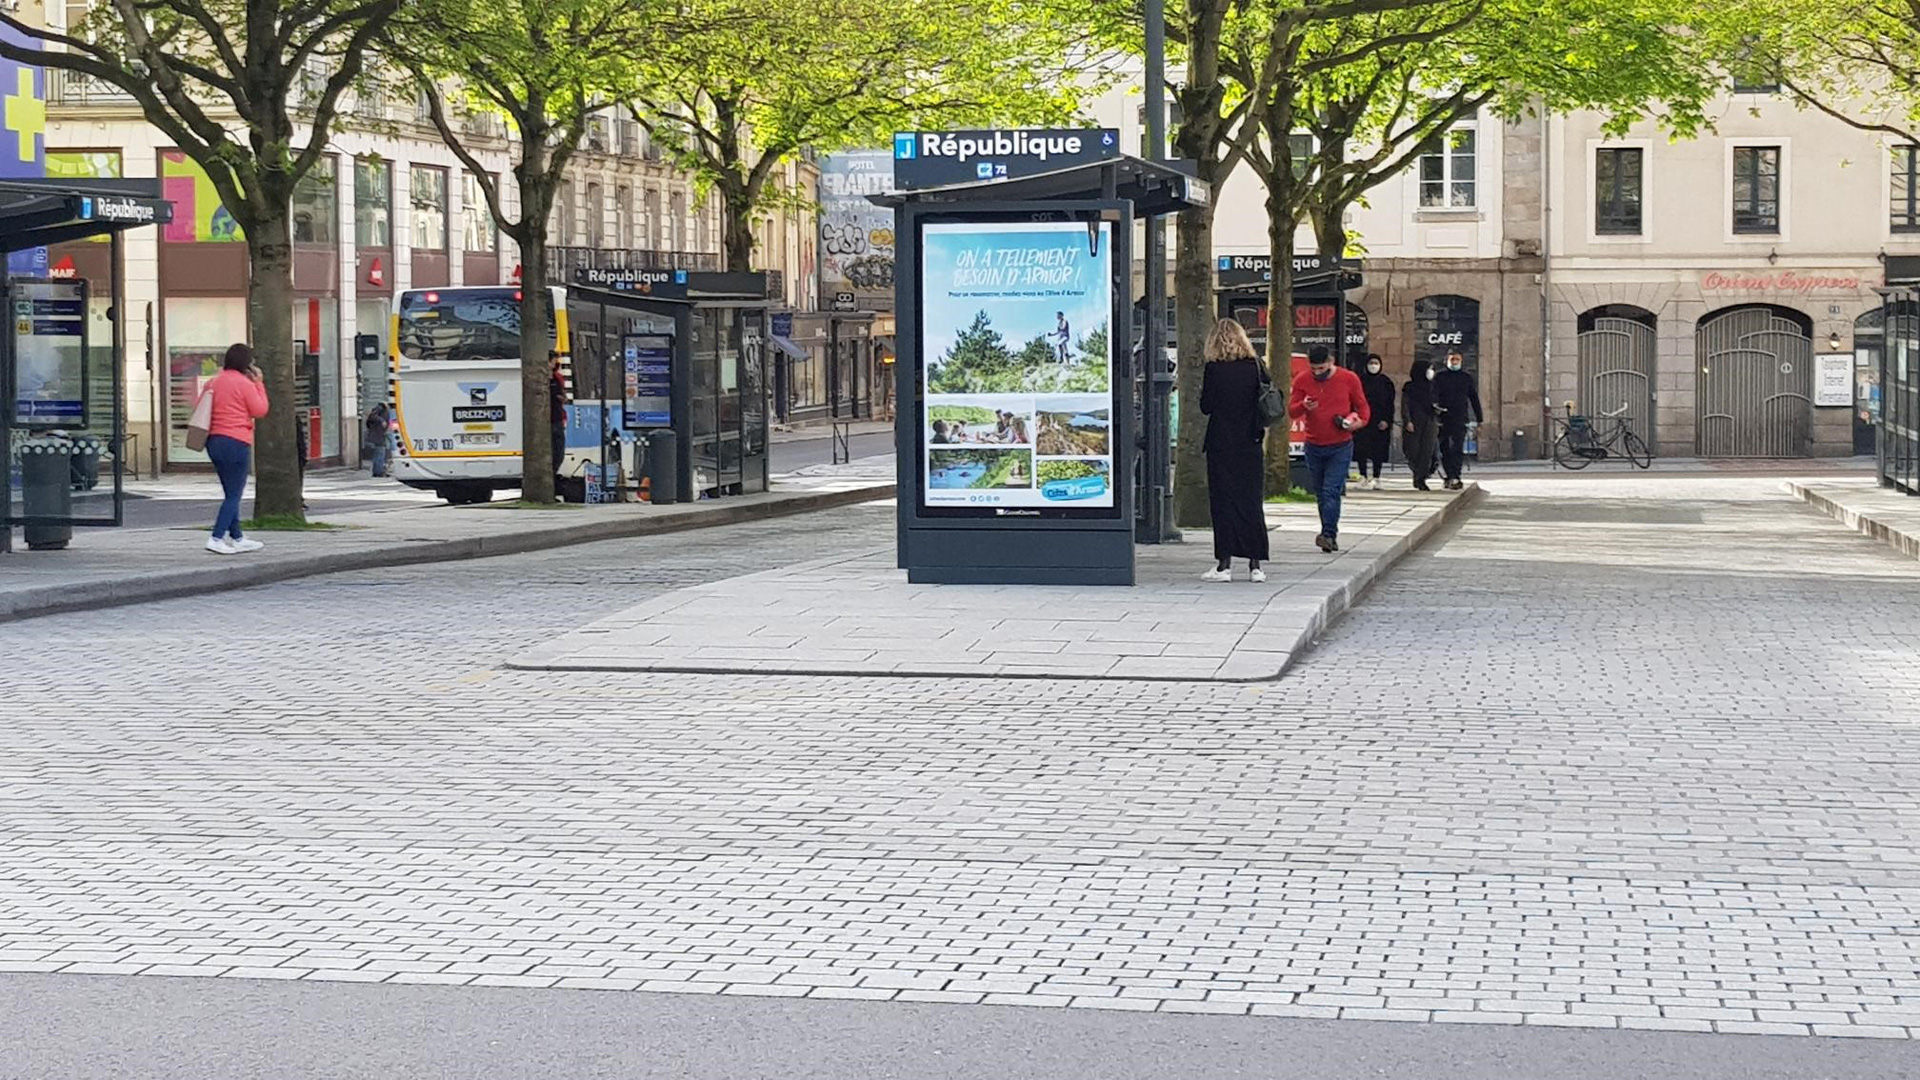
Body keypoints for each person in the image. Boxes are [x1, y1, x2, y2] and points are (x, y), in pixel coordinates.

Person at [1198, 318, 1269, 582]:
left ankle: (1224, 565)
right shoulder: (1256, 366)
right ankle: (1256, 565)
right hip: (1250, 441)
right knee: (1251, 502)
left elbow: (1206, 406)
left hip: (1221, 444)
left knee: (1223, 502)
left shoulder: (1214, 369)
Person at [1289, 345, 1369, 553]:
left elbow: (1363, 410)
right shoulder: (1302, 380)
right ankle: (1328, 533)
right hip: (1313, 444)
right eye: (1313, 369)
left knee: (1331, 491)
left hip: (1340, 444)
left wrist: (1355, 423)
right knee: (1321, 494)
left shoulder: (1349, 379)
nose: (1317, 373)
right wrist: (1304, 406)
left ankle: (1328, 533)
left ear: (1331, 361)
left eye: (1321, 368)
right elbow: (1291, 411)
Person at [201, 343, 270, 555]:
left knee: (229, 491)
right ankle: (216, 537)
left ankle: (238, 537)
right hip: (236, 440)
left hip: (213, 440)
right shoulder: (245, 384)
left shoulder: (213, 382)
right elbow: (260, 410)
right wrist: (259, 384)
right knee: (234, 494)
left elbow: (201, 406)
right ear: (246, 363)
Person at [1432, 350, 1483, 490]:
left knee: (1457, 448)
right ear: (1446, 360)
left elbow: (1474, 399)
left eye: (1457, 359)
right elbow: (1434, 395)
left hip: (1460, 418)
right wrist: (1436, 407)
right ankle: (1448, 475)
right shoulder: (1440, 377)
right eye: (1452, 359)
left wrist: (1480, 420)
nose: (1454, 362)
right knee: (1444, 449)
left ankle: (1456, 476)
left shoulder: (1466, 378)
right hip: (1443, 418)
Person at [1356, 353, 1396, 490]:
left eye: (1376, 363)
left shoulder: (1386, 382)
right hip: (1363, 420)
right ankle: (1363, 475)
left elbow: (1390, 404)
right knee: (1362, 448)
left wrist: (1387, 420)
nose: (1374, 366)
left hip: (1380, 421)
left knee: (1378, 450)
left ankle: (1376, 476)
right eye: (1371, 363)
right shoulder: (1360, 381)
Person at [1402, 360, 1439, 491]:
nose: (1430, 371)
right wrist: (1407, 420)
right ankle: (1417, 473)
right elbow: (1405, 404)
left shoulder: (1433, 386)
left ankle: (1421, 478)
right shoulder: (1410, 387)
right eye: (1428, 369)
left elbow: (1437, 401)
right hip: (1415, 421)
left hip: (1430, 420)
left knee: (1428, 449)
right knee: (1413, 450)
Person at [548, 350, 568, 488]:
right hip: (549, 421)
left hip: (557, 418)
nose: (556, 364)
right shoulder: (539, 379)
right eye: (554, 361)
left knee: (558, 453)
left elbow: (563, 395)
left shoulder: (556, 378)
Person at [364, 403, 391, 477]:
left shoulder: (383, 409)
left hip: (380, 434)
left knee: (379, 453)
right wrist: (382, 421)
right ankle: (378, 472)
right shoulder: (380, 408)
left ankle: (378, 471)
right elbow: (372, 416)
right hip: (378, 435)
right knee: (380, 453)